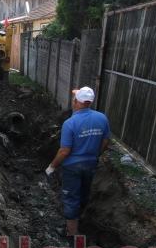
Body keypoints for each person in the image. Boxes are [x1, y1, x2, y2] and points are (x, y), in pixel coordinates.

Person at [47, 87, 110, 237]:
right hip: (91, 164)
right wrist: (95, 154)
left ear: (76, 102)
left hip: (72, 167)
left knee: (70, 197)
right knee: (83, 193)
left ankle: (71, 233)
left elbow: (64, 151)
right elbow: (106, 141)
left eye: (74, 98)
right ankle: (79, 220)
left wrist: (52, 166)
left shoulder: (70, 123)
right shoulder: (102, 118)